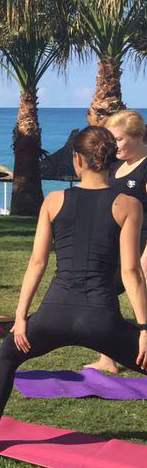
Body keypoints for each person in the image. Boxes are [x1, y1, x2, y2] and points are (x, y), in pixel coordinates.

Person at [0, 126, 147, 455]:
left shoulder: (54, 200)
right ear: (110, 160)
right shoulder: (128, 205)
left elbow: (37, 263)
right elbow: (131, 272)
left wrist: (20, 317)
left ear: (77, 160)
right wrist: (144, 329)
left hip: (53, 315)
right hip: (101, 319)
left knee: (6, 356)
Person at [91, 109, 147, 374]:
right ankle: (107, 358)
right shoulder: (115, 166)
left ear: (138, 136)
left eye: (120, 139)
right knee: (104, 294)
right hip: (115, 243)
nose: (115, 146)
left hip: (142, 242)